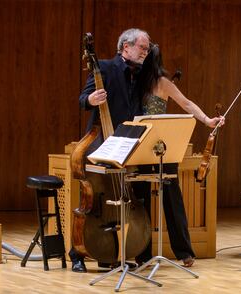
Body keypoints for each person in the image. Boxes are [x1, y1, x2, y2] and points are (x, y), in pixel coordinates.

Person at [70, 28, 223, 272]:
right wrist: (90, 101)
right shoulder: (106, 68)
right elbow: (82, 99)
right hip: (107, 139)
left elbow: (179, 101)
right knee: (95, 194)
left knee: (135, 197)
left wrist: (206, 120)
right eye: (142, 47)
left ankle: (133, 251)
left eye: (147, 48)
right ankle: (77, 252)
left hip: (132, 142)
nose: (146, 51)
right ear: (126, 47)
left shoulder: (144, 76)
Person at [132, 43, 224, 268]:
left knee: (172, 198)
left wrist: (206, 120)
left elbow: (186, 103)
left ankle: (184, 251)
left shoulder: (163, 83)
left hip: (162, 146)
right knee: (140, 199)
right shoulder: (132, 82)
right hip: (139, 147)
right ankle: (142, 254)